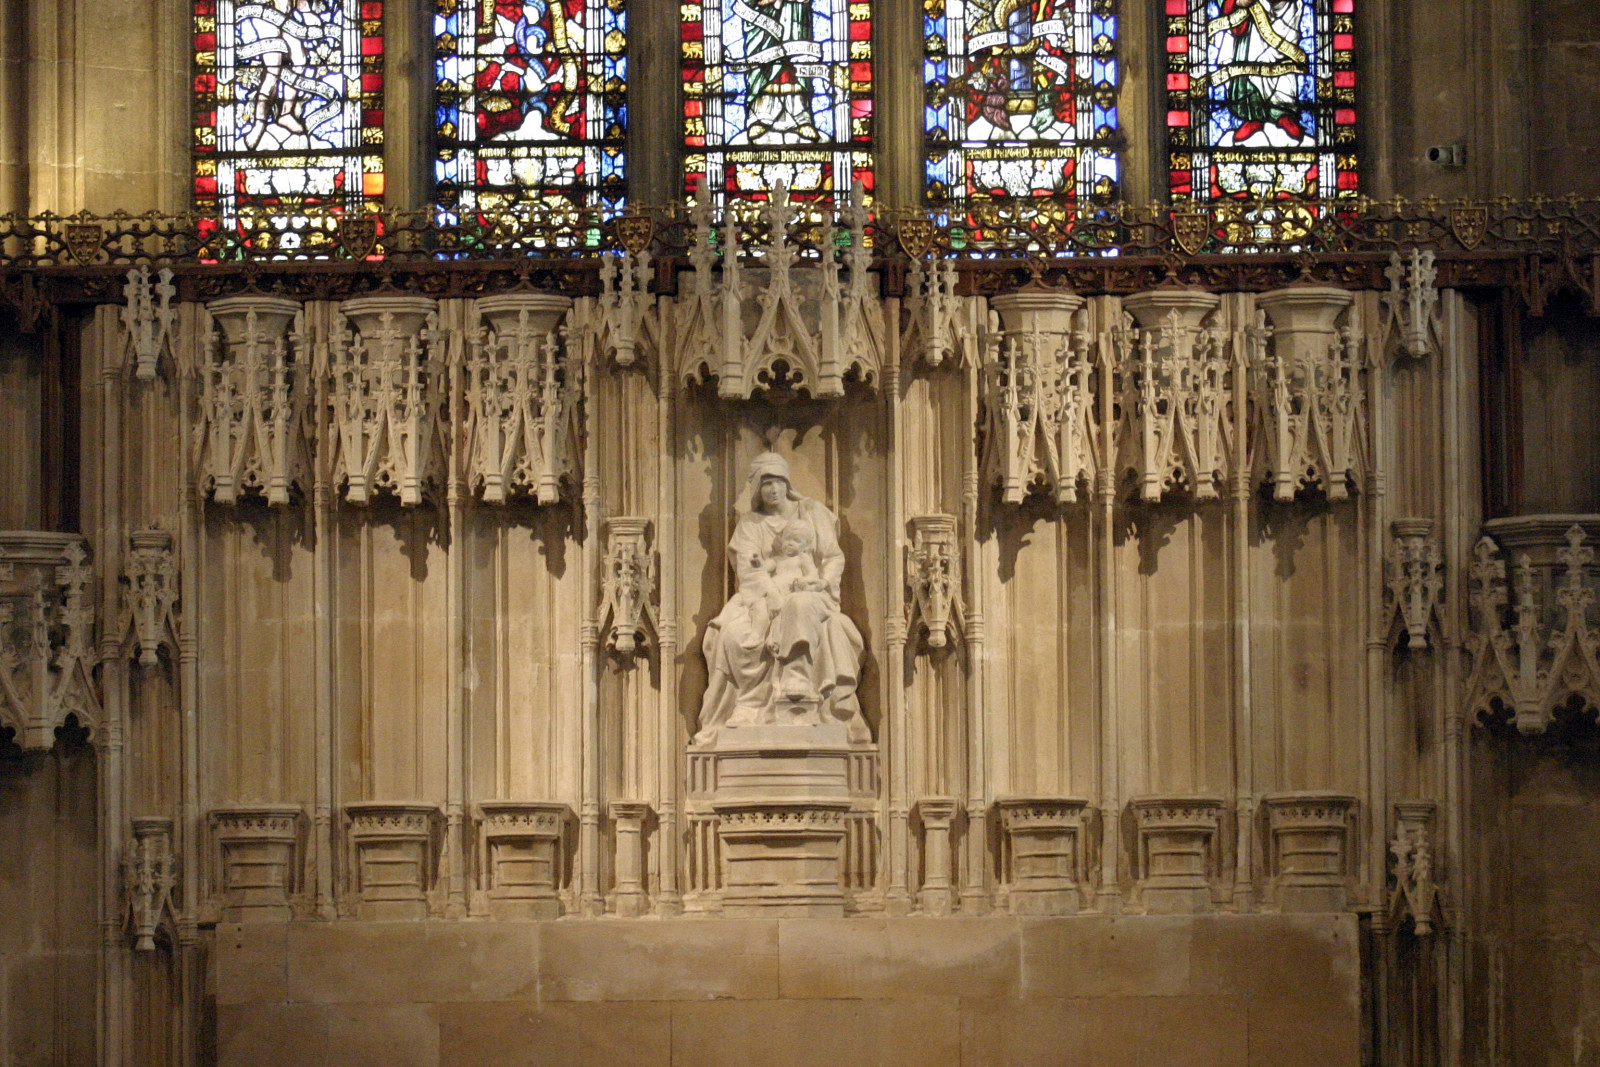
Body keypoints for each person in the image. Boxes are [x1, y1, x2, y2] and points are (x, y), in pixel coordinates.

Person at [695, 452, 866, 744]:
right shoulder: (750, 523)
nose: (772, 489)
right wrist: (771, 593)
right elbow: (750, 569)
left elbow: (833, 557)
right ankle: (749, 704)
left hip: (808, 592)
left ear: (787, 483)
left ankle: (797, 685)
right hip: (762, 595)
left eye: (777, 481)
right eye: (765, 483)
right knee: (733, 634)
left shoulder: (812, 513)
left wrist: (822, 582)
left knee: (800, 606)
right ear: (756, 489)